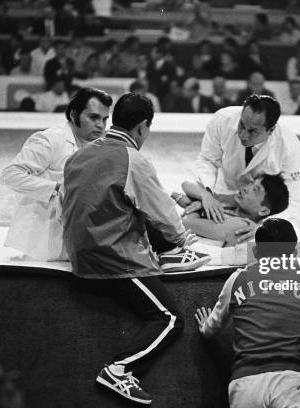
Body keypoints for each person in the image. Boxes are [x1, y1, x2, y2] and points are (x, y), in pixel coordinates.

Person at [62, 93, 204, 405]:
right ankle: (119, 369)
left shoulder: (80, 154)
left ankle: (170, 255)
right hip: (112, 259)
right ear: (142, 127)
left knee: (132, 205)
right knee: (168, 319)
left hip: (78, 251)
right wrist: (184, 240)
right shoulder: (133, 159)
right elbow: (163, 213)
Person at [195, 218, 300, 408]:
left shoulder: (238, 279)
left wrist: (204, 327)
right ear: (294, 253)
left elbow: (212, 329)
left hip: (246, 383)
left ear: (255, 251)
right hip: (292, 381)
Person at [0, 88, 112, 261]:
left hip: (79, 238)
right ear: (74, 115)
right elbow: (10, 175)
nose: (100, 125)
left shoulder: (99, 143)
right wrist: (56, 189)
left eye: (104, 119)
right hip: (43, 240)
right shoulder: (50, 140)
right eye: (94, 117)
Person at [194, 94, 300, 242]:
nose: (243, 135)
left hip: (266, 207)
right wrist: (207, 194)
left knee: (283, 239)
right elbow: (207, 160)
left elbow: (290, 199)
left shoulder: (288, 147)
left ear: (270, 129)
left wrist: (264, 227)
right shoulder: (222, 120)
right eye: (241, 125)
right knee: (199, 220)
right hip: (228, 193)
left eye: (252, 131)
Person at [178, 174, 289, 245]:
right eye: (251, 183)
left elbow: (185, 223)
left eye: (255, 189)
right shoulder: (231, 205)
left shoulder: (242, 226)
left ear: (263, 211)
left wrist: (198, 204)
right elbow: (187, 184)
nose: (246, 188)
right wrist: (205, 197)